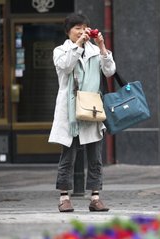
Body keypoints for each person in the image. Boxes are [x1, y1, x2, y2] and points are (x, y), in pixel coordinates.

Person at [49, 13, 116, 212]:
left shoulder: (95, 51)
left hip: (92, 107)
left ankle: (95, 197)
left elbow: (110, 70)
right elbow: (66, 66)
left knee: (95, 157)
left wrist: (102, 46)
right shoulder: (61, 50)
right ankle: (64, 197)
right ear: (68, 31)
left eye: (84, 27)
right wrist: (78, 45)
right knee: (68, 156)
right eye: (77, 28)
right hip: (69, 110)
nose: (81, 31)